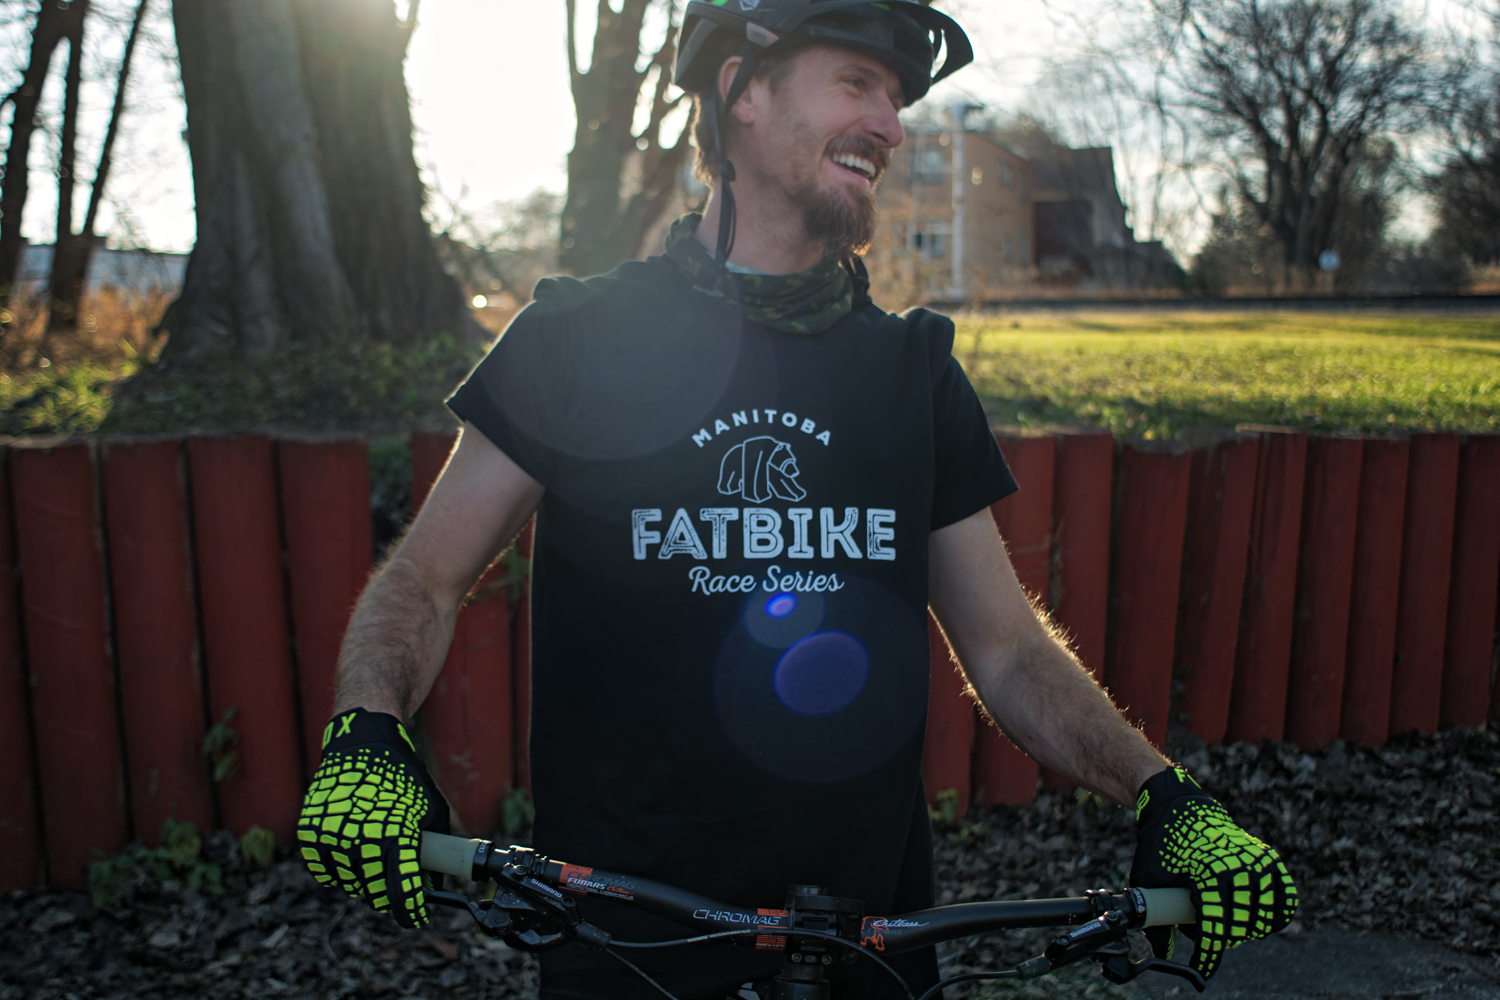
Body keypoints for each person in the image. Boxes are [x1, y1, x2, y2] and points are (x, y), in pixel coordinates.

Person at [296, 2, 1298, 997]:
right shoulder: (574, 340)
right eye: (857, 82)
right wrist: (366, 734)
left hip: (867, 949)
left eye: (896, 100)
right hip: (627, 948)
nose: (890, 125)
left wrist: (1162, 793)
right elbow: (425, 579)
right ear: (741, 89)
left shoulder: (914, 374)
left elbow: (1009, 651)